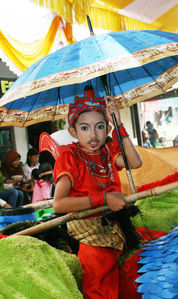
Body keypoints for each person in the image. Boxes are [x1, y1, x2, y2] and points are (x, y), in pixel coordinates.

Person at [53, 86, 142, 299]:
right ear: (73, 131)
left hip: (117, 228)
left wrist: (119, 123)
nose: (93, 135)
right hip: (88, 235)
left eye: (100, 127)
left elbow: (135, 162)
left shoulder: (107, 152)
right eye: (85, 128)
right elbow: (58, 204)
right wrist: (103, 199)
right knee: (101, 289)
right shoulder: (69, 158)